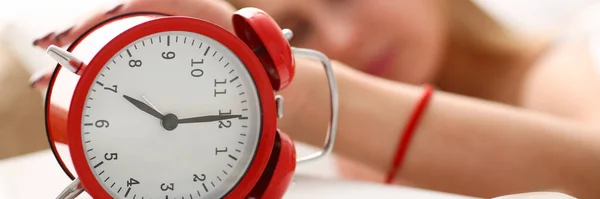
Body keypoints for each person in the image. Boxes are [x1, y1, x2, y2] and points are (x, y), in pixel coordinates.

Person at [31, 0, 600, 198]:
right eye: (296, 25)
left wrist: (292, 84)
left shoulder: (565, 59)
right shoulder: (293, 162)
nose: (345, 38)